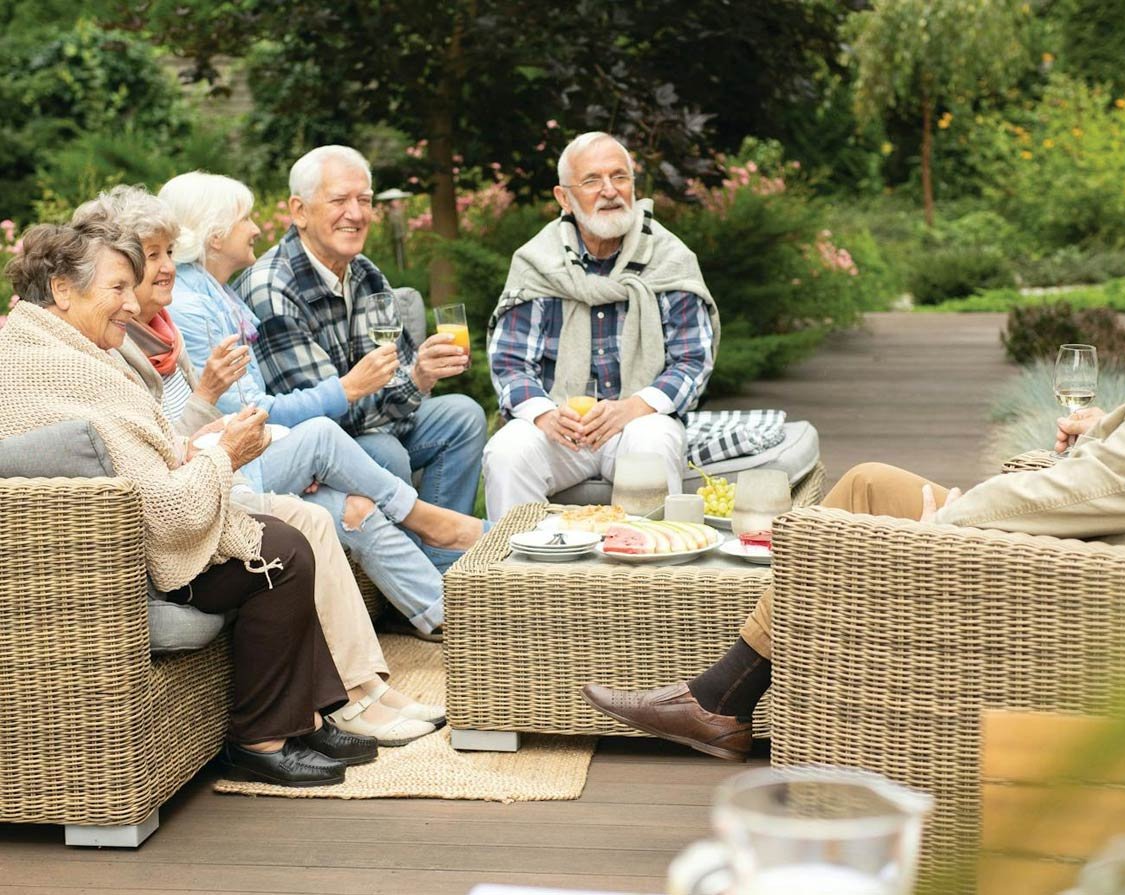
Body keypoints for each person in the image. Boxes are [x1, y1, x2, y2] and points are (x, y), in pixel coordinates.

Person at [582, 212, 1125, 760]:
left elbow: (1032, 505)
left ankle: (720, 699)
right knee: (871, 481)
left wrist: (923, 531)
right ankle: (721, 697)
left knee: (844, 520)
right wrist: (1113, 429)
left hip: (1079, 594)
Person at [0, 219, 377, 786]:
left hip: (113, 542)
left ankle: (310, 712)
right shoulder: (56, 366)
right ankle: (259, 737)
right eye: (118, 288)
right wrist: (223, 455)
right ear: (61, 290)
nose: (132, 304)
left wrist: (196, 449)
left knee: (282, 534)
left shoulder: (52, 350)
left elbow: (134, 456)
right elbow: (166, 515)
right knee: (281, 551)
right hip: (121, 568)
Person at [73, 186, 442, 744]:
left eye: (168, 253)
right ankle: (371, 672)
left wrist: (215, 414)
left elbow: (186, 430)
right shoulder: (120, 341)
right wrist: (218, 411)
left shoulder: (162, 330)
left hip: (220, 474)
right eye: (152, 258)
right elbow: (161, 450)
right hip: (198, 500)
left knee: (336, 505)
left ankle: (365, 686)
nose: (169, 267)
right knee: (326, 493)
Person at [153, 173, 474, 639]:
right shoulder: (193, 303)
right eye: (245, 219)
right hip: (234, 467)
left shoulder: (216, 293)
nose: (257, 230)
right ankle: (426, 521)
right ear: (215, 234)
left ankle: (447, 615)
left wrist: (414, 377)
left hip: (263, 448)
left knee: (354, 510)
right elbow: (244, 412)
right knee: (329, 436)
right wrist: (346, 389)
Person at [237, 146, 487, 572]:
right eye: (339, 201)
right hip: (311, 445)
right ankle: (418, 581)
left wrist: (420, 376)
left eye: (365, 200)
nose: (356, 213)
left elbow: (397, 374)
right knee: (384, 449)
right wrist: (413, 382)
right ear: (299, 211)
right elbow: (328, 416)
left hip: (372, 420)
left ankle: (446, 571)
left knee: (463, 415)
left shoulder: (366, 273)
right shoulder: (271, 288)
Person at [482, 131, 720, 521]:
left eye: (619, 177)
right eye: (592, 180)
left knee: (654, 441)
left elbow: (693, 360)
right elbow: (509, 363)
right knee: (507, 451)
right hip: (560, 425)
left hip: (636, 421)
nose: (609, 190)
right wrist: (544, 414)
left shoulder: (669, 257)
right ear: (564, 198)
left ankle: (646, 574)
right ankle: (522, 575)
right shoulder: (537, 262)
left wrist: (634, 407)